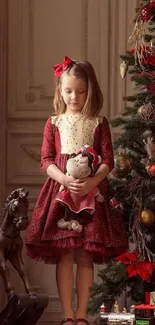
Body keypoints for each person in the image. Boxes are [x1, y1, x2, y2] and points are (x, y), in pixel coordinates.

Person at [25, 56, 127, 325]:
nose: (74, 97)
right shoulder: (54, 122)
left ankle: (82, 315)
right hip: (61, 192)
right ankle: (67, 316)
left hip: (91, 195)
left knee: (84, 256)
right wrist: (63, 179)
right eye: (68, 91)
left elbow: (108, 160)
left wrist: (93, 182)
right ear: (60, 89)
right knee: (65, 254)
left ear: (90, 91)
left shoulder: (98, 122)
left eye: (80, 92)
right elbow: (46, 160)